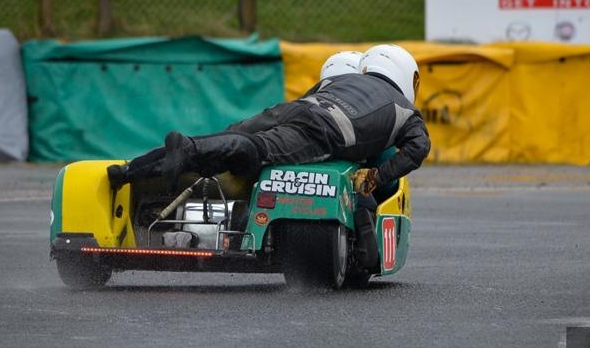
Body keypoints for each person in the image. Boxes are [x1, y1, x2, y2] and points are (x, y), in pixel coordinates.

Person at [107, 44, 430, 263]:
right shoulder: (406, 110)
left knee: (228, 136)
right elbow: (419, 148)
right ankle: (189, 148)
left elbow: (305, 104)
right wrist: (377, 176)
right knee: (258, 152)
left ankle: (130, 171)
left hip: (296, 109)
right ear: (405, 76)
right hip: (324, 132)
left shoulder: (341, 82)